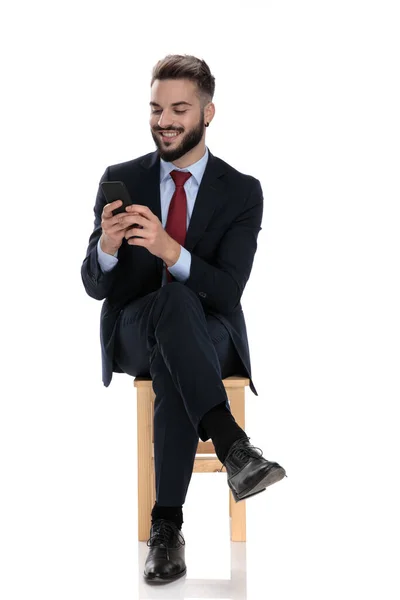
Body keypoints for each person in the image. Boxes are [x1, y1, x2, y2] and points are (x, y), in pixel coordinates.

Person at [81, 54, 286, 585]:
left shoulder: (242, 191)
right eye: (155, 109)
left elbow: (227, 289)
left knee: (178, 331)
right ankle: (232, 446)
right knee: (168, 315)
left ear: (208, 113)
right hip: (133, 329)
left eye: (178, 109)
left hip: (209, 332)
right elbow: (93, 285)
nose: (164, 120)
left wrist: (171, 250)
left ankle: (165, 531)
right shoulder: (120, 178)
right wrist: (106, 244)